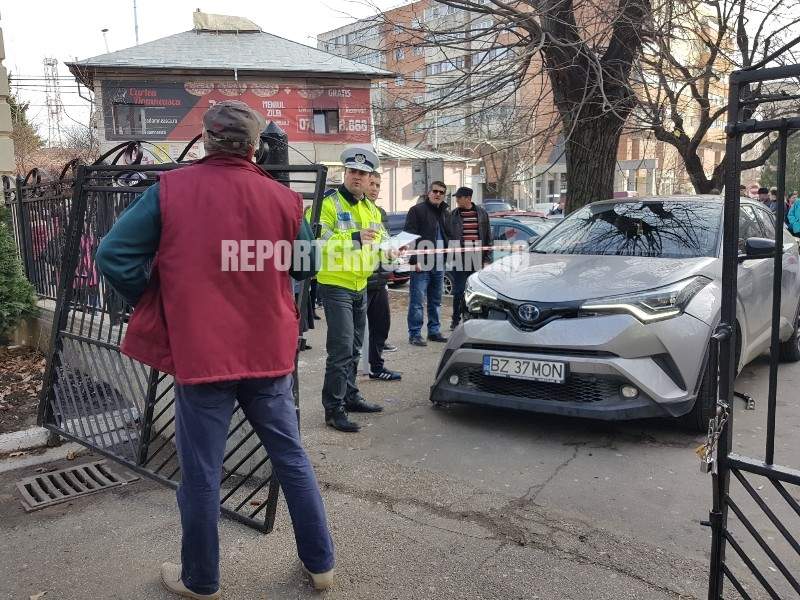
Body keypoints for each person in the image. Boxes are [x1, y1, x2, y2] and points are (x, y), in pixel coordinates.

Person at [95, 100, 335, 598]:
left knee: (201, 473)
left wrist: (154, 295)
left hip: (201, 354)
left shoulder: (171, 191)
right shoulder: (284, 200)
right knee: (291, 458)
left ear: (206, 139)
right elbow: (306, 267)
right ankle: (321, 566)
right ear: (253, 146)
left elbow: (113, 254)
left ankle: (201, 580)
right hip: (268, 352)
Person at [316, 145, 392, 433]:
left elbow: (382, 241)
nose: (357, 177)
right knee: (341, 348)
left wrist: (392, 252)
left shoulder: (370, 208)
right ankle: (333, 409)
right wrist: (355, 237)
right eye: (353, 172)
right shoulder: (328, 203)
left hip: (360, 284)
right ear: (345, 173)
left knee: (355, 348)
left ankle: (350, 396)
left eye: (363, 172)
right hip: (335, 284)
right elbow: (318, 241)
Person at [364, 171, 401, 381]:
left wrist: (394, 251)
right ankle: (351, 380)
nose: (375, 189)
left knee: (381, 326)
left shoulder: (380, 212)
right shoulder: (355, 210)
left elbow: (385, 241)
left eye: (378, 185)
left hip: (380, 278)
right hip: (359, 280)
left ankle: (377, 367)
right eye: (372, 184)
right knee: (355, 335)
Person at [405, 181, 451, 346]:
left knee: (436, 300)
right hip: (421, 263)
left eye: (441, 192)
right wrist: (414, 260)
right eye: (435, 191)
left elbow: (448, 234)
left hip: (439, 264)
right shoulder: (417, 210)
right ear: (428, 192)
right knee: (417, 301)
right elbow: (409, 235)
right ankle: (415, 334)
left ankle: (434, 331)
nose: (438, 194)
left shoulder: (445, 212)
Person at [448, 187, 492, 330]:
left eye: (459, 197)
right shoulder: (453, 215)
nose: (456, 200)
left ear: (468, 198)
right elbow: (449, 237)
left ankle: (474, 319)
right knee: (458, 291)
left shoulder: (482, 214)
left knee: (476, 291)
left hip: (477, 258)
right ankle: (455, 320)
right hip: (460, 258)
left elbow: (488, 238)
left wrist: (487, 259)